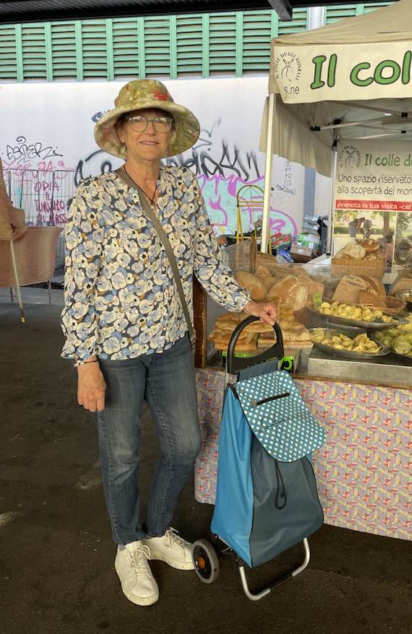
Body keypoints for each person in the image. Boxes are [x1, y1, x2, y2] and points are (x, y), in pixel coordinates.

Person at [61, 79, 277, 607]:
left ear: (172, 132)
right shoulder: (95, 196)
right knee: (122, 456)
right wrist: (84, 361)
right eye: (139, 120)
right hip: (114, 351)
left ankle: (156, 531)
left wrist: (244, 302)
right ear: (119, 132)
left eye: (159, 120)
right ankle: (127, 545)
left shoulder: (184, 188)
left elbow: (206, 258)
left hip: (172, 342)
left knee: (184, 444)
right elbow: (79, 283)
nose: (150, 128)